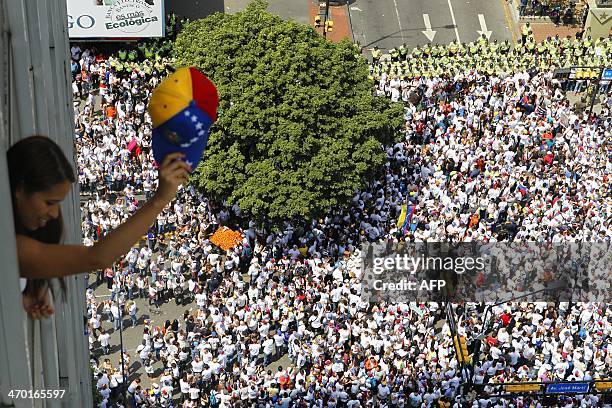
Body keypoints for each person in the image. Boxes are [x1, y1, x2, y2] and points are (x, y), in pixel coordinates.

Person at [7, 136, 191, 319]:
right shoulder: (13, 247)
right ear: (20, 189)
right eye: (49, 202)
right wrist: (159, 200)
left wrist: (25, 294)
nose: (55, 214)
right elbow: (97, 258)